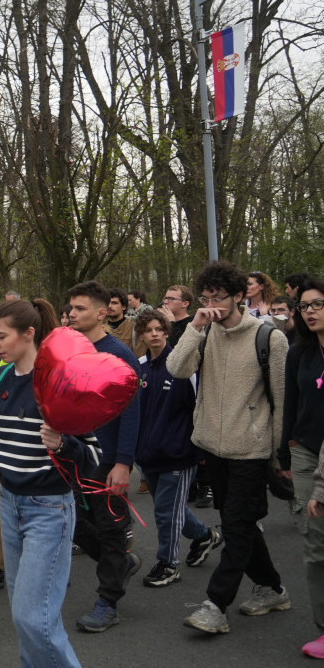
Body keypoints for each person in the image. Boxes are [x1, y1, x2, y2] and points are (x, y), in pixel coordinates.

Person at [0, 298, 100, 667]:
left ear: (29, 333)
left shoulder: (60, 381)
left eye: (1, 336)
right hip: (9, 504)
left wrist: (64, 443)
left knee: (34, 617)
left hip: (49, 509)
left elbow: (94, 457)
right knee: (25, 614)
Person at [168, 260, 291, 634]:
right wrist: (194, 327)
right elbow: (176, 369)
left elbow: (281, 401)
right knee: (243, 525)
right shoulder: (205, 333)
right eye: (205, 298)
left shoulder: (270, 338)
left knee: (236, 528)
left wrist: (278, 456)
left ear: (240, 296)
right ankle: (272, 588)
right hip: (212, 448)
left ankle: (214, 604)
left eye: (218, 298)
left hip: (251, 451)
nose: (211, 306)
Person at [66, 281, 143, 633]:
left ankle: (107, 601)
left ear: (101, 312)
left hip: (108, 460)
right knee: (79, 528)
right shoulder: (70, 352)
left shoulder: (118, 354)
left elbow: (131, 412)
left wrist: (123, 463)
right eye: (70, 308)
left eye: (79, 308)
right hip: (75, 456)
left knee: (111, 532)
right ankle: (121, 564)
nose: (71, 313)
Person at [133, 311, 222, 588]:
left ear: (168, 332)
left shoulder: (184, 366)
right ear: (142, 335)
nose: (155, 334)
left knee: (166, 513)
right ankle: (204, 536)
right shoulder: (139, 367)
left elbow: (201, 407)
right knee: (170, 509)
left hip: (178, 453)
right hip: (148, 455)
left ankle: (168, 563)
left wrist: (202, 447)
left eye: (160, 329)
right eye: (149, 330)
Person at [278, 279, 324, 657]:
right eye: (304, 306)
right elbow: (290, 404)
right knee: (316, 541)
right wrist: (286, 453)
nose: (309, 311)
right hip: (307, 452)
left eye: (318, 304)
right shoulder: (299, 353)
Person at [104, 287, 143, 356]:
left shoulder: (135, 328)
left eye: (114, 303)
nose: (109, 306)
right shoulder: (100, 329)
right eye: (107, 303)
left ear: (124, 307)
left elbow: (139, 358)